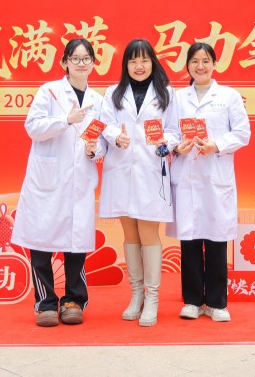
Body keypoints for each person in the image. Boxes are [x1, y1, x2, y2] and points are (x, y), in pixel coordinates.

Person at [12, 38, 106, 327]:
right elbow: (33, 127)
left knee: (76, 242)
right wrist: (66, 120)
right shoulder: (49, 91)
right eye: (75, 58)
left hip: (80, 180)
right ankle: (45, 303)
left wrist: (94, 150)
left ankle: (74, 301)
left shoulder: (99, 100)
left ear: (93, 63)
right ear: (65, 62)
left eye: (86, 58)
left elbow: (102, 139)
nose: (81, 63)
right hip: (47, 179)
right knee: (40, 240)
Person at [167, 42, 251, 322]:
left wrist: (216, 145)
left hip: (216, 176)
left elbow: (242, 133)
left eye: (205, 60)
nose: (200, 66)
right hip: (187, 176)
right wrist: (176, 146)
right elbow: (168, 131)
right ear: (187, 66)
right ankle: (192, 301)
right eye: (194, 61)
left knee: (216, 240)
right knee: (190, 240)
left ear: (215, 64)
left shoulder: (228, 96)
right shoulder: (177, 98)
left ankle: (216, 303)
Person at [99, 39, 178, 327]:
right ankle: (136, 295)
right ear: (126, 65)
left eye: (144, 60)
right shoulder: (114, 93)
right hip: (122, 169)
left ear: (153, 62)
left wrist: (164, 143)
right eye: (133, 61)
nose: (139, 66)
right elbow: (106, 124)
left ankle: (152, 297)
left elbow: (174, 131)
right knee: (130, 234)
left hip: (150, 171)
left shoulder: (166, 93)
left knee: (148, 234)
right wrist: (114, 136)